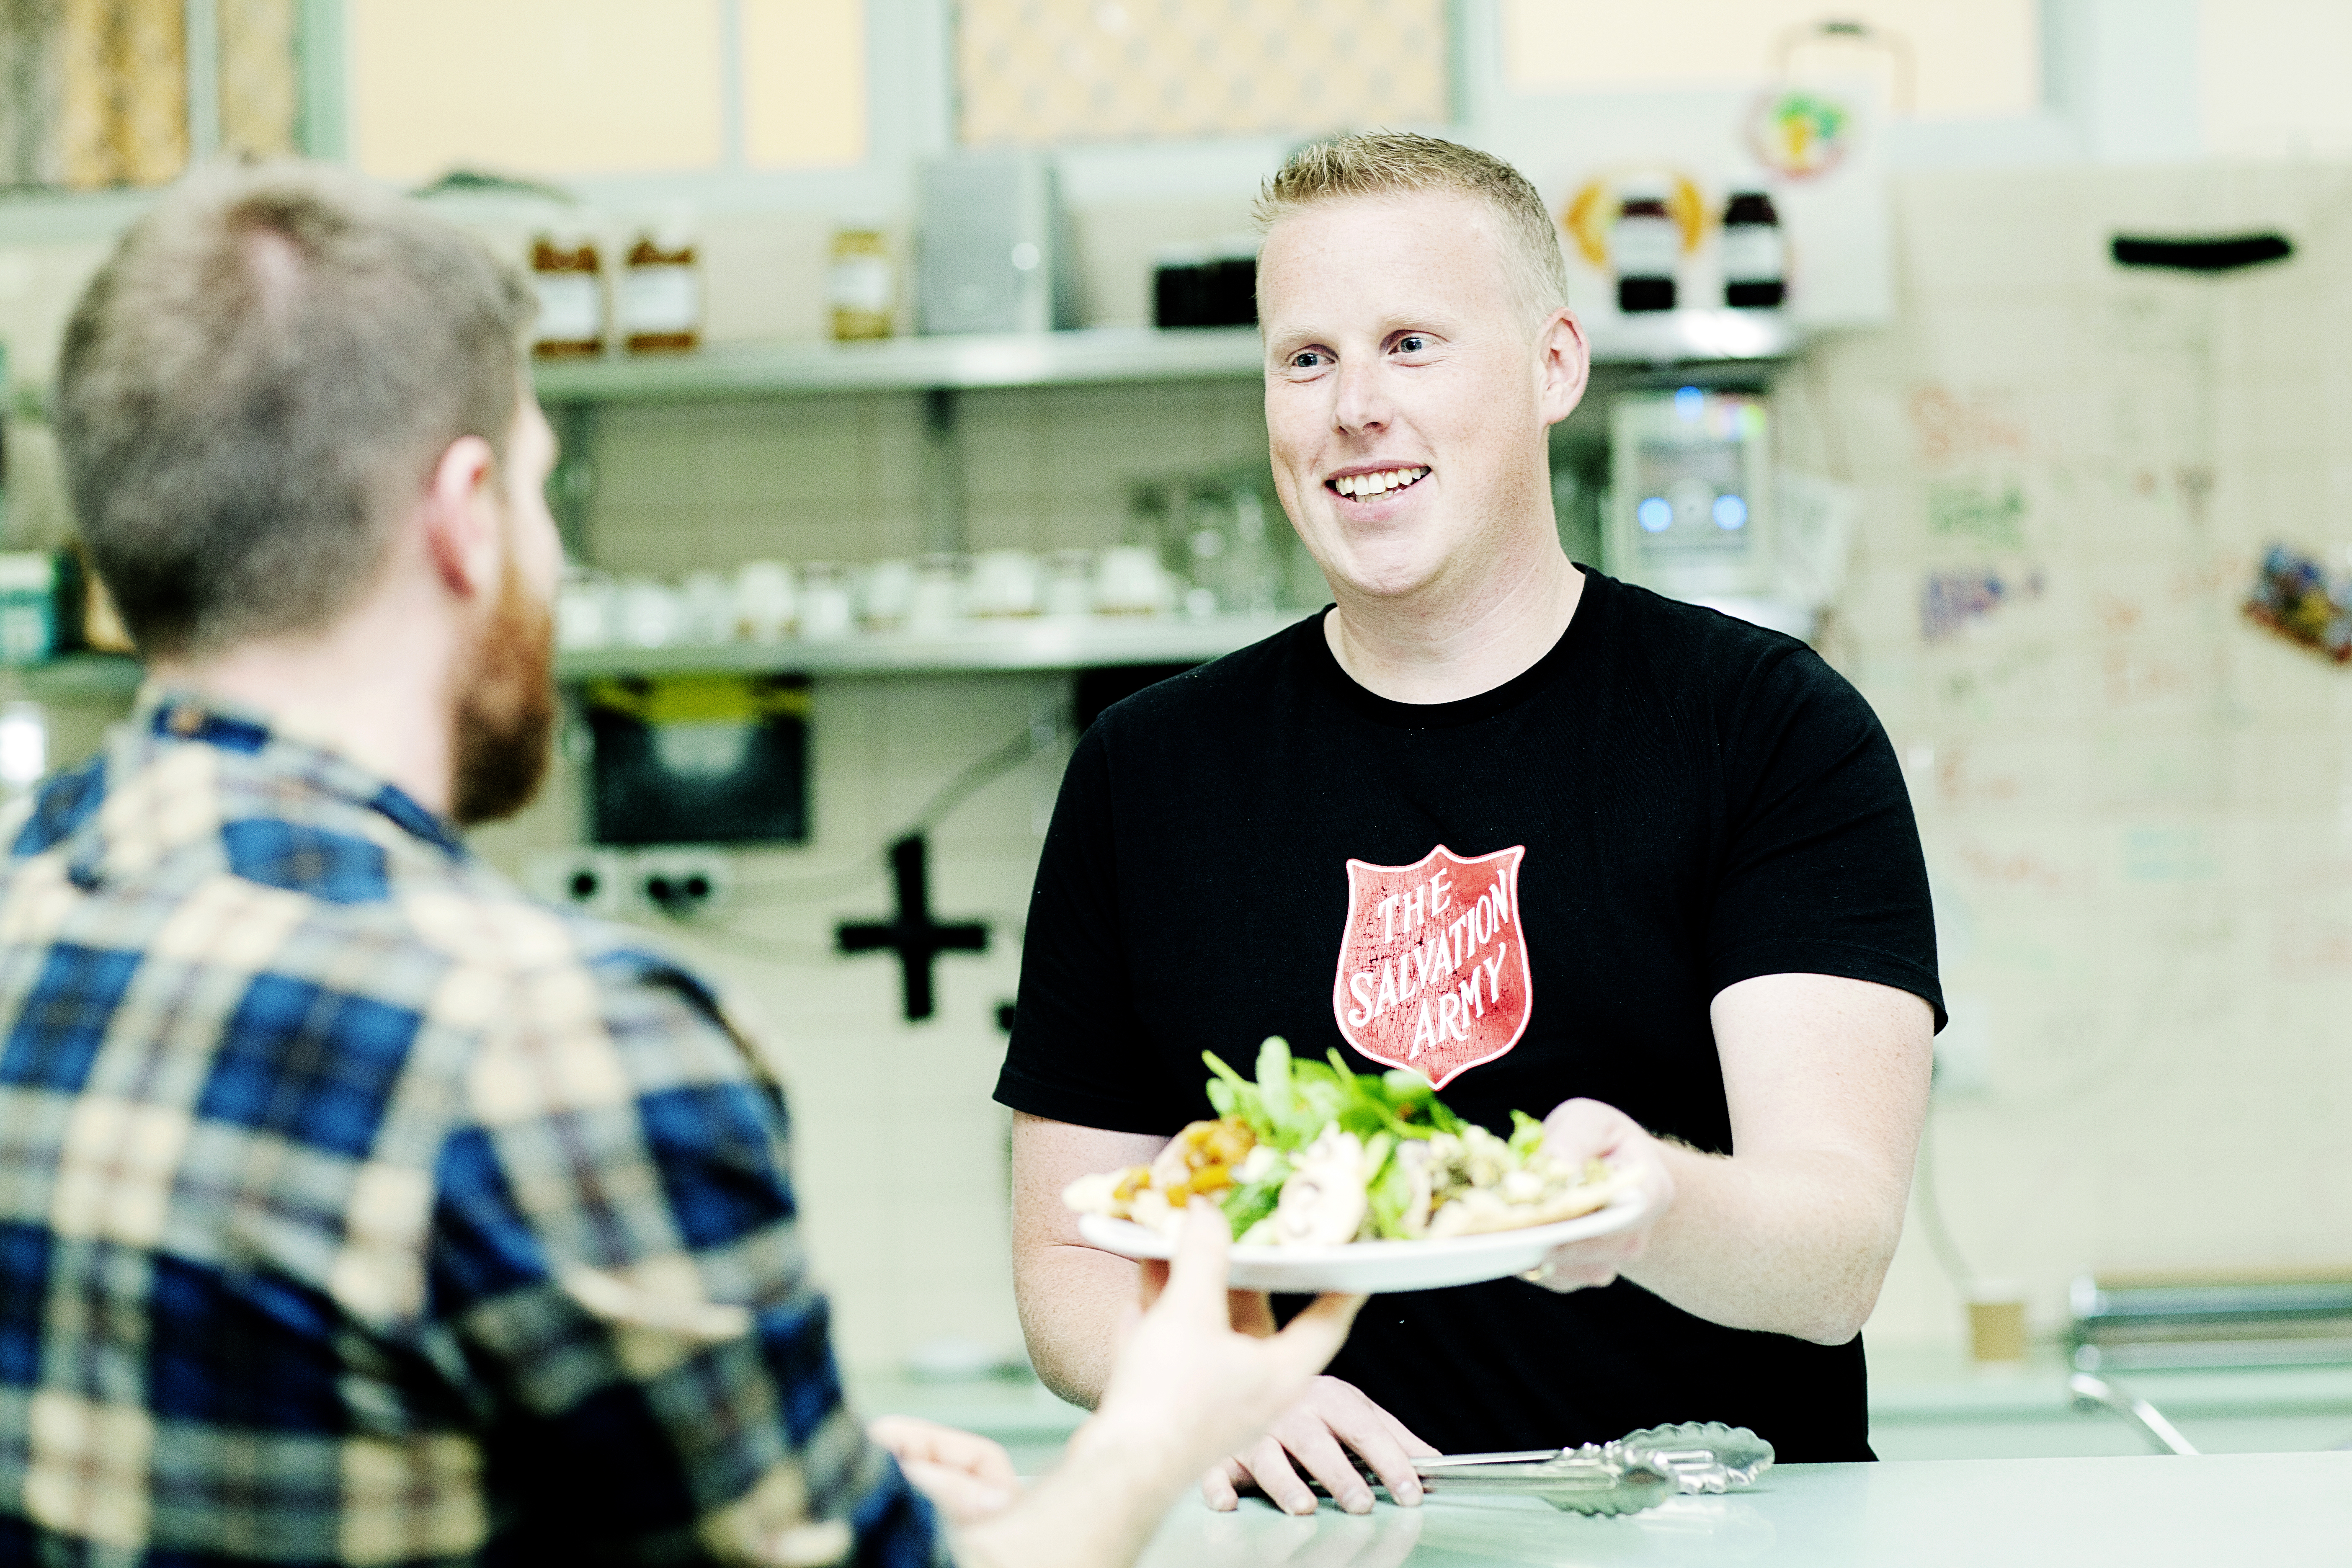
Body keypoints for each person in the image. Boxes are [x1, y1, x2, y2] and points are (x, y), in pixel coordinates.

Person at [2, 160, 1362, 1566]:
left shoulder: (32, 903)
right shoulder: (547, 1038)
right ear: (466, 516)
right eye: (539, 492)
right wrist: (1160, 1427)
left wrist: (751, 1477)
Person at [999, 132, 1944, 1517]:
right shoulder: (1147, 774)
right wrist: (1209, 1389)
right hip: (1316, 1541)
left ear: (1554, 365)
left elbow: (1836, 1254)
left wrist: (1652, 1205)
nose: (1352, 409)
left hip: (1701, 1527)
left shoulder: (1768, 727)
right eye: (1305, 359)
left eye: (1412, 344)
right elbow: (1070, 1264)